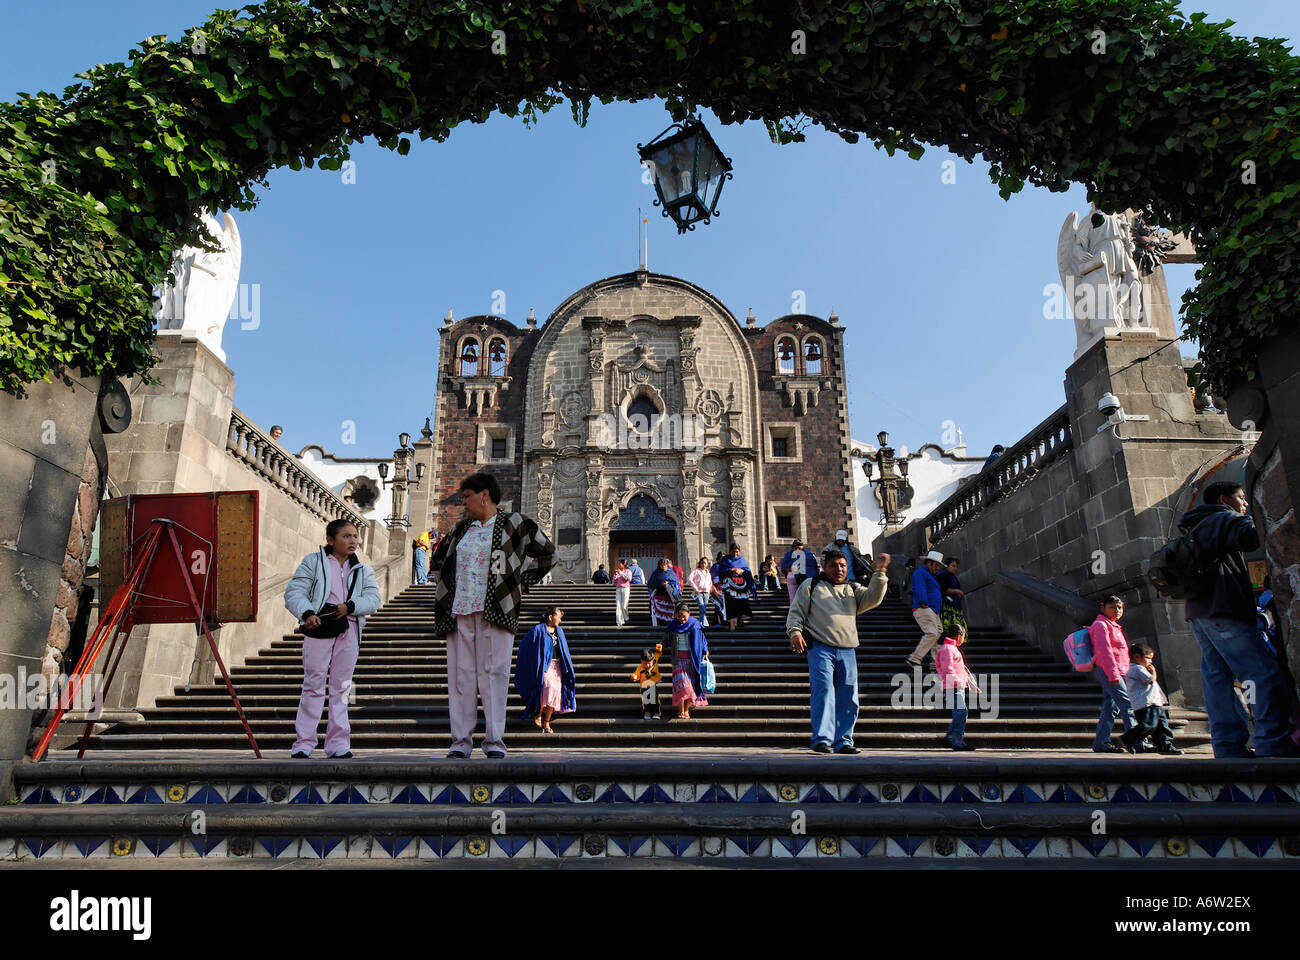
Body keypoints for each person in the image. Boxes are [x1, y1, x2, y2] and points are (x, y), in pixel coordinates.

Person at [428, 471, 556, 759]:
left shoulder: (515, 523)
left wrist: (523, 582)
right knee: (461, 677)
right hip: (460, 609)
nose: (464, 503)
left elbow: (548, 552)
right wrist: (444, 583)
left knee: (494, 674)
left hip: (497, 609)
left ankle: (494, 740)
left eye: (467, 497)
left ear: (484, 495)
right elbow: (439, 559)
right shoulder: (462, 529)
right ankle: (460, 741)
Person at [1179, 481, 1299, 757]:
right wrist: (1259, 508)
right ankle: (1273, 740)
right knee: (1261, 673)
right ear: (1224, 499)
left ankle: (1227, 744)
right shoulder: (1224, 518)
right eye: (1242, 498)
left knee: (1217, 679)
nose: (1244, 503)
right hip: (1225, 609)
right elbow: (1253, 537)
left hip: (1199, 612)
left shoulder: (1195, 524)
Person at [284, 518, 382, 759]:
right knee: (313, 683)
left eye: (355, 536)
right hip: (319, 626)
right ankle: (304, 742)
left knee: (342, 687)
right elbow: (294, 592)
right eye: (346, 536)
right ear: (330, 540)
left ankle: (338, 743)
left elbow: (373, 599)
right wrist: (307, 613)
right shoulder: (313, 562)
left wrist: (350, 606)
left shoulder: (363, 569)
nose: (353, 541)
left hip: (348, 628)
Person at [787, 549, 891, 753]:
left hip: (848, 649)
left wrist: (879, 573)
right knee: (824, 692)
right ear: (824, 567)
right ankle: (822, 739)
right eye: (834, 565)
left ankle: (844, 740)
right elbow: (796, 611)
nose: (839, 569)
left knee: (848, 696)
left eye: (842, 565)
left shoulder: (852, 589)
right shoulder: (812, 585)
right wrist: (795, 632)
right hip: (820, 647)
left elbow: (873, 598)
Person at [1088, 596, 1139, 753]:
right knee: (1127, 704)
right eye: (1112, 607)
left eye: (1119, 608)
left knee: (1111, 707)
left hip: (1117, 670)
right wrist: (1114, 675)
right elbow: (1105, 653)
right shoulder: (1100, 625)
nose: (1117, 611)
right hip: (1109, 670)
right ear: (1103, 608)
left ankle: (1101, 742)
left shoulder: (1112, 625)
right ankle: (1136, 741)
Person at [514, 606, 575, 734]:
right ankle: (538, 713)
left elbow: (564, 650)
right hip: (545, 666)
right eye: (558, 617)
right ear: (550, 617)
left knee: (556, 692)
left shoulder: (559, 631)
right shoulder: (537, 630)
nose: (560, 620)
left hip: (557, 666)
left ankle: (546, 722)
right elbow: (525, 645)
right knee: (547, 688)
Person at [1125, 643, 1181, 754]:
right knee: (1148, 725)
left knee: (1161, 725)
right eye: (1148, 658)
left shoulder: (1139, 668)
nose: (1150, 662)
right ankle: (1127, 739)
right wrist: (1153, 672)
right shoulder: (1137, 669)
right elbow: (1150, 680)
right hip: (1146, 703)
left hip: (1153, 702)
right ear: (1137, 656)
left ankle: (1164, 745)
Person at [936, 622, 978, 751]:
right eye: (963, 635)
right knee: (961, 712)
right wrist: (957, 682)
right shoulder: (947, 649)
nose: (963, 638)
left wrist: (968, 683)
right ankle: (955, 740)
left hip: (955, 685)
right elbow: (947, 668)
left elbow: (960, 669)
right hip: (953, 686)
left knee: (960, 712)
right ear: (958, 635)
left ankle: (952, 738)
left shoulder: (951, 648)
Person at [667, 601, 710, 719]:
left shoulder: (695, 624)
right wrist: (660, 645)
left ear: (689, 614)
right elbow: (665, 638)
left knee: (689, 687)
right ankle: (680, 710)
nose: (681, 619)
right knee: (682, 685)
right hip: (678, 660)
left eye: (684, 616)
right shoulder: (672, 625)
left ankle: (686, 710)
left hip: (691, 659)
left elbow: (702, 638)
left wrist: (705, 649)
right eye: (679, 616)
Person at [906, 551, 946, 667]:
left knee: (938, 633)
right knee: (933, 633)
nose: (938, 568)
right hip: (924, 608)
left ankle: (936, 662)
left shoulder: (927, 574)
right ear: (929, 563)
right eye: (936, 565)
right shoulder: (920, 573)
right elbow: (919, 588)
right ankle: (915, 657)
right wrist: (924, 603)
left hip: (932, 610)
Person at [719, 543, 757, 631]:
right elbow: (721, 571)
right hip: (729, 586)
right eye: (733, 551)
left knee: (741, 603)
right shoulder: (725, 559)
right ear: (730, 551)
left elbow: (747, 570)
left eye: (737, 552)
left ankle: (740, 619)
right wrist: (731, 570)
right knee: (730, 605)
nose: (735, 554)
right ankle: (732, 624)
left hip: (741, 586)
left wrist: (741, 570)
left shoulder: (742, 559)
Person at [630, 643, 664, 720]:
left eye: (649, 663)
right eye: (645, 663)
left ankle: (657, 713)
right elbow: (636, 675)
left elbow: (658, 653)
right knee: (645, 701)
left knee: (655, 700)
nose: (648, 665)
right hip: (644, 686)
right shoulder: (639, 668)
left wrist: (659, 648)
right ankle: (647, 712)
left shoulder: (654, 660)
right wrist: (634, 677)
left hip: (653, 684)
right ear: (641, 661)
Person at [936, 556, 967, 638]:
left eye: (956, 566)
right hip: (945, 606)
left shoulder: (954, 578)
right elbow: (944, 589)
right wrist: (957, 591)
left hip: (954, 606)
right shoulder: (942, 575)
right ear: (946, 566)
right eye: (953, 566)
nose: (955, 568)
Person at [647, 558, 682, 627]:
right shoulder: (656, 573)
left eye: (665, 565)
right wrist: (660, 583)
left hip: (670, 596)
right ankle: (658, 622)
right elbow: (651, 583)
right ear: (659, 565)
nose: (663, 567)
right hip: (659, 594)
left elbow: (676, 583)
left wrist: (669, 583)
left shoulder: (671, 573)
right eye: (662, 565)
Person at [688, 557, 713, 625]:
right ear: (700, 563)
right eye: (702, 563)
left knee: (703, 609)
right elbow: (689, 579)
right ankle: (702, 624)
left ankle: (701, 623)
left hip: (706, 593)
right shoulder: (696, 571)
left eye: (705, 563)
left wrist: (710, 589)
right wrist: (695, 588)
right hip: (698, 592)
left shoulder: (708, 573)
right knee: (702, 607)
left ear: (707, 564)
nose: (703, 565)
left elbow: (710, 582)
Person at [612, 559, 632, 627]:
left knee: (624, 605)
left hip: (625, 588)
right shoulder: (618, 572)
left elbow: (628, 579)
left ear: (624, 564)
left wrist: (621, 573)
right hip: (618, 589)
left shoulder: (628, 571)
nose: (618, 565)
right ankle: (619, 622)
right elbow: (614, 582)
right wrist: (615, 575)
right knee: (618, 606)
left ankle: (626, 617)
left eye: (620, 563)